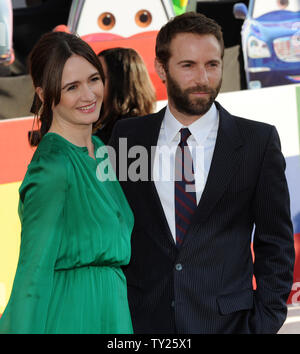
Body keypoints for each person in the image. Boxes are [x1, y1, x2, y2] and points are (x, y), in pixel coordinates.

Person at [108, 12, 295, 334]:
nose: (203, 78)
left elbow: (275, 241)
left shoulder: (257, 142)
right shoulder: (128, 138)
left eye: (212, 64)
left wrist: (264, 322)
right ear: (161, 69)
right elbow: (114, 227)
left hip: (230, 324)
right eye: (188, 65)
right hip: (144, 324)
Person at [0, 31, 133, 334]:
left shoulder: (100, 150)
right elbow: (32, 272)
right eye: (72, 87)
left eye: (93, 79)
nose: (89, 95)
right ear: (45, 95)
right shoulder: (53, 165)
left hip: (112, 311)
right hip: (73, 316)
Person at [94, 47, 156, 144]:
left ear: (120, 82)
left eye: (98, 78)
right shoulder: (95, 117)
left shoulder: (133, 130)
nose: (91, 85)